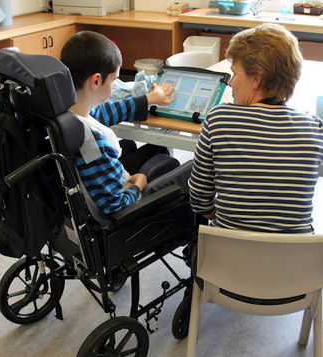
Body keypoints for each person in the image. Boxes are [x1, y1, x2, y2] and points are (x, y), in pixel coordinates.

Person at [188, 23, 323, 233]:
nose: (230, 83)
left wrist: (225, 215)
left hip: (228, 257)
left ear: (257, 79)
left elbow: (199, 200)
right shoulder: (313, 128)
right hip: (295, 262)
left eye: (234, 74)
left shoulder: (219, 119)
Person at [60, 31, 192, 214]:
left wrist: (148, 99)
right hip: (125, 214)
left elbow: (101, 113)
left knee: (157, 149)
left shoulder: (66, 113)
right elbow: (114, 206)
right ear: (96, 80)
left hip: (102, 186)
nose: (115, 85)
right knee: (190, 168)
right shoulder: (92, 144)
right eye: (115, 79)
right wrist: (138, 186)